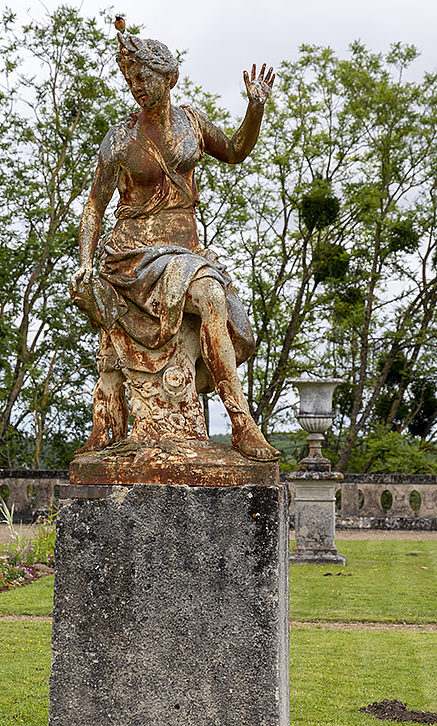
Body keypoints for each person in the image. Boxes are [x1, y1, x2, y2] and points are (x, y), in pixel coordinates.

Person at [69, 24, 279, 462]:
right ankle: (242, 423)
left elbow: (238, 150)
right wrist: (86, 261)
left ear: (168, 76)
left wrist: (255, 108)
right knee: (208, 294)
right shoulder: (121, 138)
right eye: (130, 81)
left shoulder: (192, 122)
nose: (137, 87)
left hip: (184, 253)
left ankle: (228, 420)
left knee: (231, 316)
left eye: (144, 77)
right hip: (133, 256)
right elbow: (93, 206)